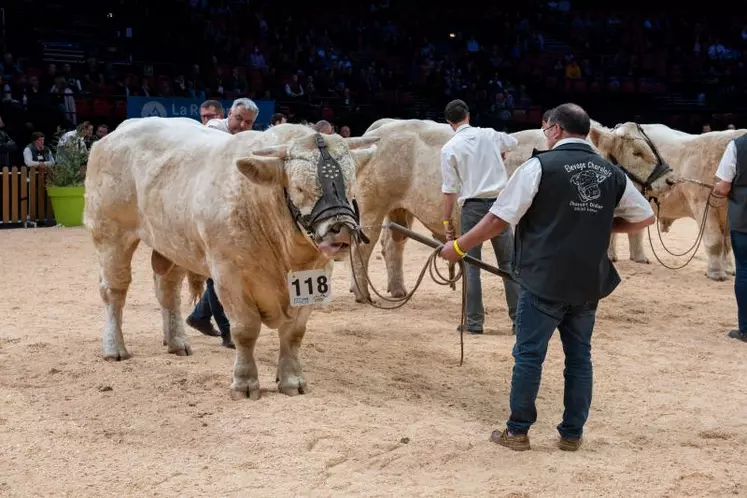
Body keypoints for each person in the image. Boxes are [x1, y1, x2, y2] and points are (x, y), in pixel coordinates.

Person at [440, 103, 655, 451]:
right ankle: (572, 434)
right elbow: (645, 217)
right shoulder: (610, 172)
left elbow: (498, 220)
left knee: (529, 356)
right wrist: (601, 225)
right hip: (587, 281)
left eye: (545, 130)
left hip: (544, 279)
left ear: (555, 129)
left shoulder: (539, 166)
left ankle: (518, 431)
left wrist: (460, 248)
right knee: (579, 358)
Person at [440, 99, 521, 334]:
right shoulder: (489, 134)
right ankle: (518, 321)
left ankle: (474, 323)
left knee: (471, 265)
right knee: (508, 264)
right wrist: (501, 151)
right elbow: (513, 141)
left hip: (472, 208)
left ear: (449, 123)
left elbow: (449, 191)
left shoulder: (449, 147)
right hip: (499, 207)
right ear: (468, 115)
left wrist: (447, 224)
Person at [186, 97, 260, 349]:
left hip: (229, 209)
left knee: (224, 268)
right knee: (217, 269)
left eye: (248, 122)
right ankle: (228, 330)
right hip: (203, 207)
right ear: (229, 114)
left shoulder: (245, 138)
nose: (242, 125)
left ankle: (199, 315)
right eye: (239, 118)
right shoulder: (213, 132)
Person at [714, 133, 747, 342]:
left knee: (744, 269)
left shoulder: (737, 146)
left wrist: (718, 189)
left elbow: (724, 186)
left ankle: (745, 329)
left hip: (744, 218)